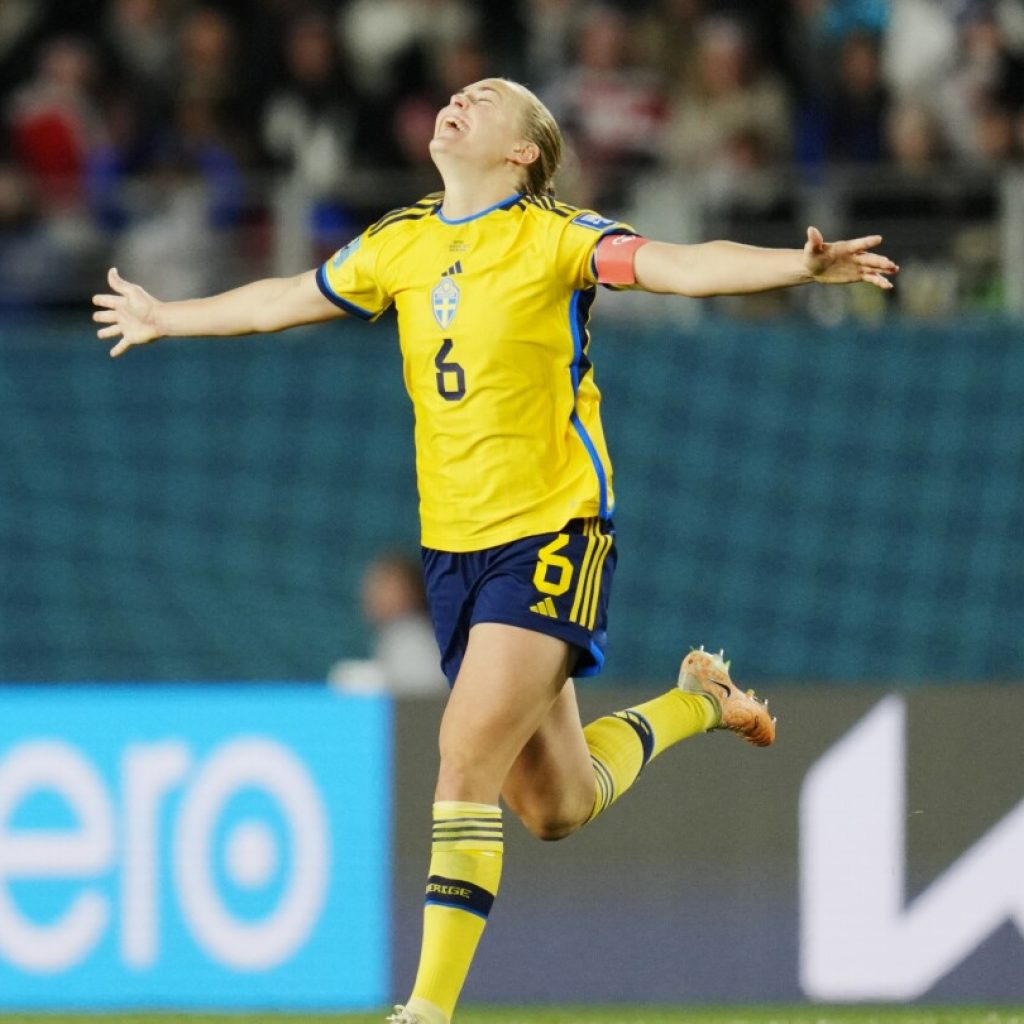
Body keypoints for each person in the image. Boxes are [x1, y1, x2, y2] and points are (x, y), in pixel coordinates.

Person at [92, 76, 897, 1024]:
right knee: (555, 806)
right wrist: (165, 317)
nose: (458, 101)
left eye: (486, 97)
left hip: (554, 529)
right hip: (453, 553)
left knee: (463, 750)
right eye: (457, 94)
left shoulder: (558, 236)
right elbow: (281, 298)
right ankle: (696, 703)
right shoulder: (400, 242)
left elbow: (678, 263)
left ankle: (424, 1013)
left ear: (524, 152)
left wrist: (794, 270)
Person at [328, 552, 449, 696]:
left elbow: (425, 693)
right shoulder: (398, 634)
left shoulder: (409, 635)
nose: (373, 594)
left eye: (385, 586)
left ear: (411, 592)